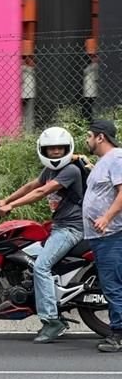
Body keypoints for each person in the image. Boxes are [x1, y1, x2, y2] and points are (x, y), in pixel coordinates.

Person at [0, 126, 85, 342]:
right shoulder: (50, 171)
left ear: (67, 149)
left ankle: (52, 322)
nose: (55, 152)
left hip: (72, 228)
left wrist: (11, 207)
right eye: (50, 149)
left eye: (59, 148)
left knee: (41, 266)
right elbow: (32, 185)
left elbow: (42, 192)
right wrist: (5, 200)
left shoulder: (71, 170)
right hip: (59, 226)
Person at [81, 120, 122, 353]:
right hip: (100, 236)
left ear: (100, 137)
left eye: (89, 136)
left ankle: (118, 334)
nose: (86, 140)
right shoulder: (103, 161)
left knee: (113, 285)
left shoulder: (116, 158)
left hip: (111, 234)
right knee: (111, 283)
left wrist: (106, 218)